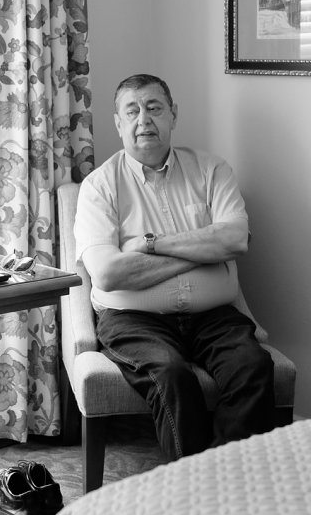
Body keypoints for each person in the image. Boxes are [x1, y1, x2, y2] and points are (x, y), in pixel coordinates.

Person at [74, 73, 276, 462]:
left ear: (173, 115)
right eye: (131, 111)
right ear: (118, 123)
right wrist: (203, 248)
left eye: (154, 108)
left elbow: (236, 241)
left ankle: (230, 478)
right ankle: (192, 488)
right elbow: (108, 274)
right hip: (132, 319)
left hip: (214, 316)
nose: (143, 120)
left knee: (253, 366)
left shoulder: (211, 170)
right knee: (172, 376)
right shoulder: (99, 186)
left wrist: (150, 245)